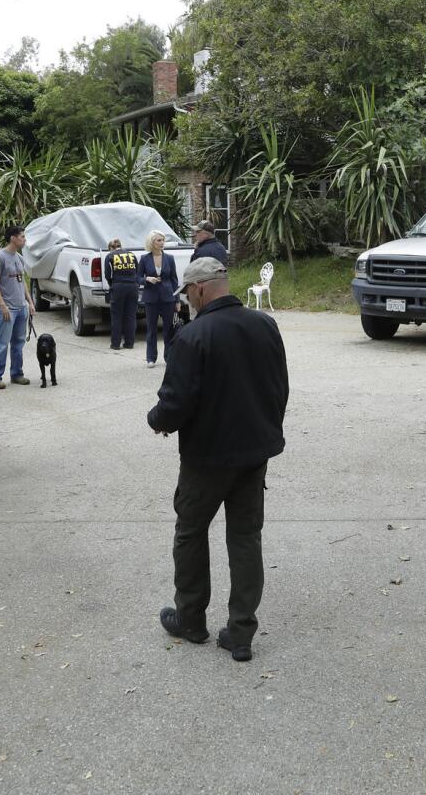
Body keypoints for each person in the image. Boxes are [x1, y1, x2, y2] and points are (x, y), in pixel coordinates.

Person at [147, 257, 289, 663]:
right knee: (245, 537)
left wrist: (156, 421)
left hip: (207, 458)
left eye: (189, 292)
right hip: (253, 454)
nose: (188, 300)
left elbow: (175, 402)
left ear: (202, 288)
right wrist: (266, 432)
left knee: (191, 532)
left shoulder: (194, 336)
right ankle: (240, 633)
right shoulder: (266, 325)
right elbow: (280, 388)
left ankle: (190, 619)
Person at [0, 225, 31, 389]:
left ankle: (17, 374)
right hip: (7, 310)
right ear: (13, 238)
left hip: (21, 308)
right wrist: (2, 306)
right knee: (2, 344)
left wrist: (30, 303)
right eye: (22, 237)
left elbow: (22, 282)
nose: (24, 239)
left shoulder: (19, 258)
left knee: (18, 343)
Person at [136, 230, 179, 368]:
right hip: (151, 298)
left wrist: (177, 300)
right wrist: (147, 279)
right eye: (158, 240)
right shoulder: (144, 258)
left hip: (168, 298)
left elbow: (174, 280)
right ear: (152, 242)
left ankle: (169, 357)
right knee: (151, 329)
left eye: (162, 240)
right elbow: (137, 278)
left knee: (168, 330)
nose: (162, 243)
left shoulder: (170, 258)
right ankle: (151, 358)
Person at [103, 238, 139, 351]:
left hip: (118, 286)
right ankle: (129, 343)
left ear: (111, 248)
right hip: (133, 287)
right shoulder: (131, 255)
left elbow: (108, 274)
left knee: (117, 316)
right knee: (131, 316)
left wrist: (112, 284)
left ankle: (116, 344)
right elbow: (137, 271)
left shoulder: (110, 256)